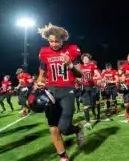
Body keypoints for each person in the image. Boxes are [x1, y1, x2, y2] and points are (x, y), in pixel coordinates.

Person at [36, 23, 85, 161]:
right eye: (51, 41)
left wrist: (70, 65)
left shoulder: (72, 50)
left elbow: (80, 74)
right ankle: (63, 156)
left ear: (63, 39)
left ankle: (77, 129)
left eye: (57, 41)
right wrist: (40, 82)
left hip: (68, 90)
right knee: (53, 127)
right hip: (51, 90)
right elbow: (42, 74)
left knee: (63, 127)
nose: (54, 44)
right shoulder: (44, 52)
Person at [79, 53, 101, 128]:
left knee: (93, 104)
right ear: (82, 59)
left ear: (89, 59)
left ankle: (96, 114)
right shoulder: (80, 67)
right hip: (84, 87)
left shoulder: (92, 66)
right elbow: (76, 76)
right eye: (84, 58)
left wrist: (92, 78)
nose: (85, 59)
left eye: (87, 58)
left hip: (91, 87)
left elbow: (99, 76)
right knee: (85, 105)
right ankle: (88, 122)